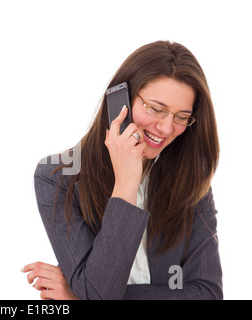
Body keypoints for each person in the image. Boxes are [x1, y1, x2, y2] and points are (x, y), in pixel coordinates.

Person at [22, 40, 222, 300]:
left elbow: (208, 295)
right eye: (156, 108)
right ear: (120, 99)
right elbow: (99, 293)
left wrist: (78, 294)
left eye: (181, 117)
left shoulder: (192, 184)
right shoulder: (57, 178)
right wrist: (126, 184)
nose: (165, 128)